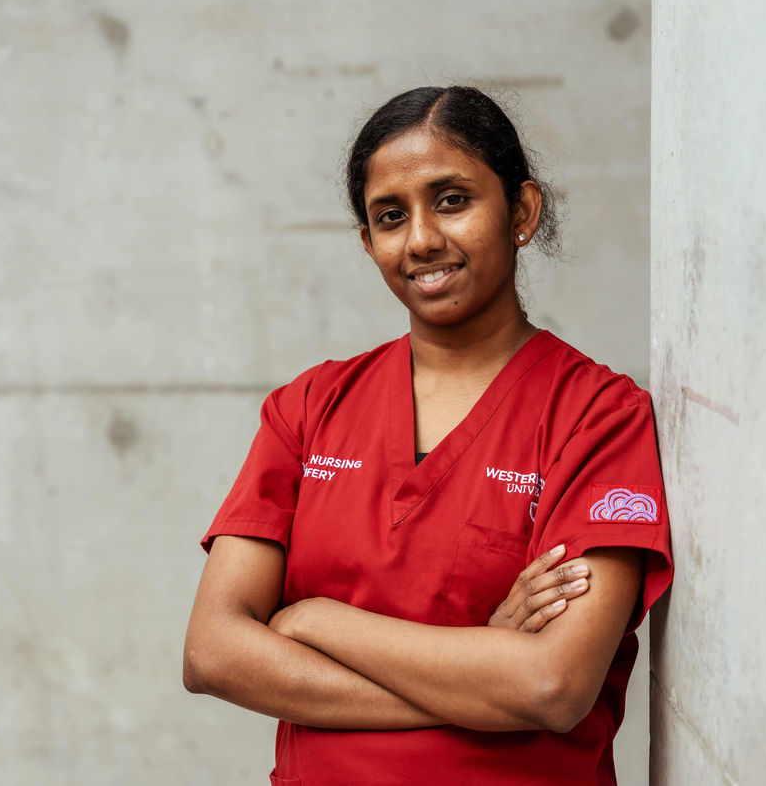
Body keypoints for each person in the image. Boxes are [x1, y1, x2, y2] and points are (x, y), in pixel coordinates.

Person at [182, 85, 673, 785]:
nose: (421, 239)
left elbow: (552, 685)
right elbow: (213, 652)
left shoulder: (597, 416)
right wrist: (478, 668)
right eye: (390, 215)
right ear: (368, 242)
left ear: (521, 212)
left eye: (452, 199)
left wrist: (316, 620)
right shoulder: (309, 407)